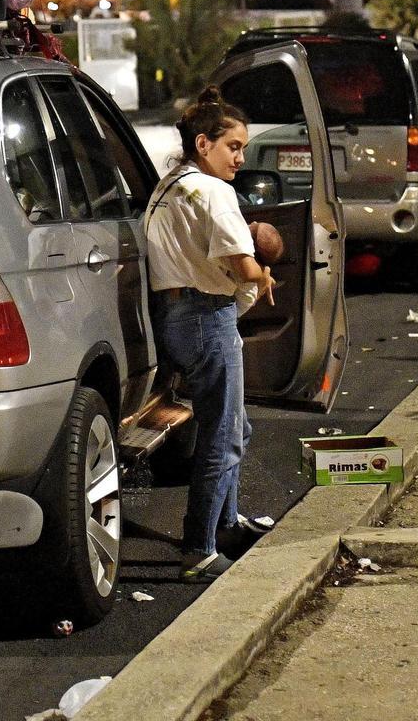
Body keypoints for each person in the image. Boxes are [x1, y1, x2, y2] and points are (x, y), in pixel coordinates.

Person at [145, 87, 276, 583]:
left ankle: (227, 524)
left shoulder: (169, 185)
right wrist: (262, 275)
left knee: (234, 428)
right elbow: (241, 263)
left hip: (175, 315)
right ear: (204, 143)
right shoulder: (215, 192)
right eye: (234, 147)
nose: (241, 158)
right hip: (206, 318)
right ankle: (199, 548)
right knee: (222, 436)